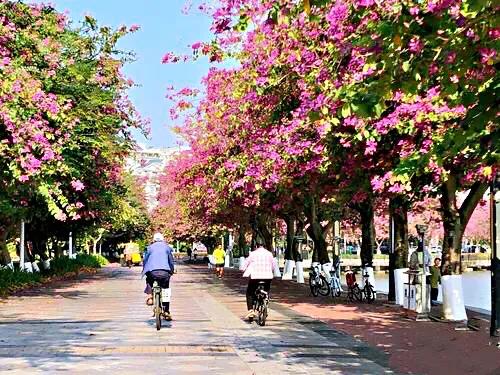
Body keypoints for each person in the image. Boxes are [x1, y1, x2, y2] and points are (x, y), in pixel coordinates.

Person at [241, 237, 278, 320]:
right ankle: (266, 300)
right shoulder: (269, 254)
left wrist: (243, 269)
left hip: (255, 277)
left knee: (250, 292)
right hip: (268, 277)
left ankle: (250, 311)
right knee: (267, 289)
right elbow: (274, 266)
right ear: (264, 245)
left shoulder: (253, 254)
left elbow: (244, 265)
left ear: (256, 246)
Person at [142, 233, 175, 321]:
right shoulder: (167, 247)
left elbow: (145, 260)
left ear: (154, 240)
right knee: (165, 290)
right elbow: (171, 261)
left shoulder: (150, 248)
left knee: (149, 279)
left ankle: (150, 296)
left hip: (152, 272)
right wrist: (171, 271)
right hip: (165, 272)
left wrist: (144, 270)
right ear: (162, 239)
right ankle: (167, 311)